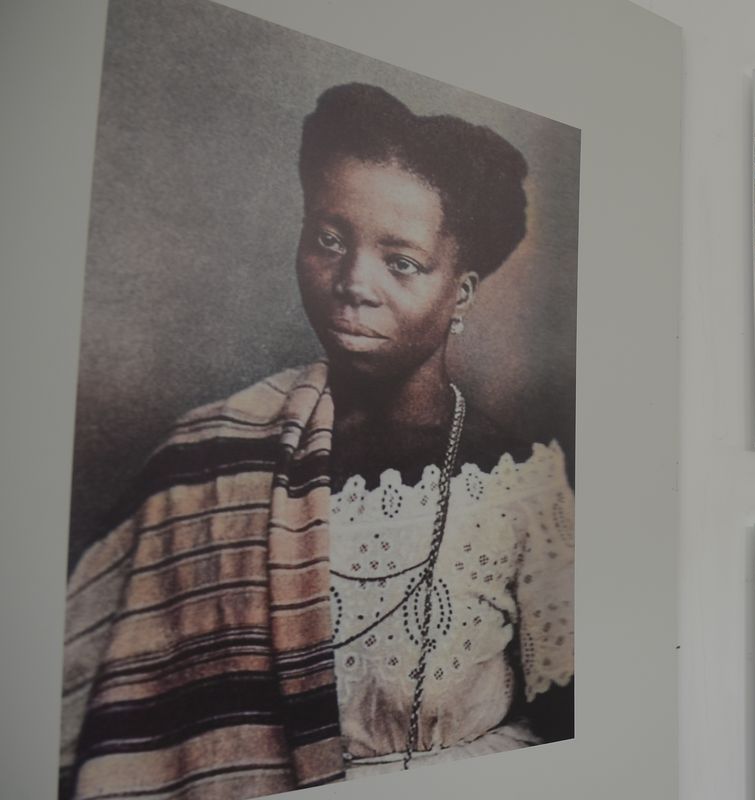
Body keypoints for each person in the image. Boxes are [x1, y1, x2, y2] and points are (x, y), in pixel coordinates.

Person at [60, 84, 574, 800]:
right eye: (330, 241)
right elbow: (94, 691)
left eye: (401, 262)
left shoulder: (517, 479)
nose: (353, 283)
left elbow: (571, 726)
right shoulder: (212, 453)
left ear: (460, 292)